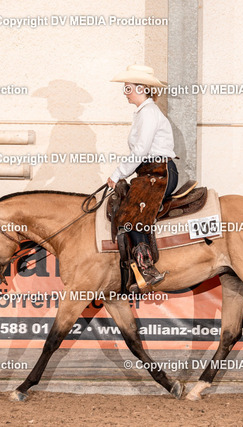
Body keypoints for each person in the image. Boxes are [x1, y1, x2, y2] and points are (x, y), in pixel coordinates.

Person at [108, 64, 179, 291]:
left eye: (128, 88)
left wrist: (118, 174)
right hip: (150, 172)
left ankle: (147, 268)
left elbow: (140, 150)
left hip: (160, 172)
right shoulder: (144, 113)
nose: (125, 93)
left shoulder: (148, 113)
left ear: (141, 88)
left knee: (132, 212)